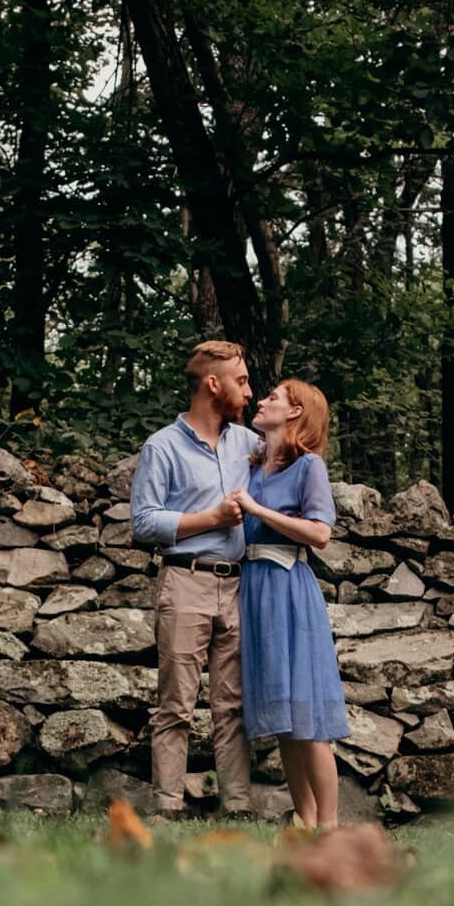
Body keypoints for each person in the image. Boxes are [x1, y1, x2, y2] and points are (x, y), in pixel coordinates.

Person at [129, 340, 262, 817]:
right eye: (241, 381)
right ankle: (166, 806)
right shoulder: (161, 446)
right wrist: (211, 519)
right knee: (177, 704)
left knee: (233, 705)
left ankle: (239, 806)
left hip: (240, 584)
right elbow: (142, 523)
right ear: (213, 384)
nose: (248, 392)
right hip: (185, 581)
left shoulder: (249, 445)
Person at [231, 379, 350, 828]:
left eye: (274, 398)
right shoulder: (254, 466)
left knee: (308, 716)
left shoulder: (309, 467)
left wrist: (258, 512)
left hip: (288, 588)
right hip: (253, 590)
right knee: (282, 718)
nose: (261, 401)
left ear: (296, 412)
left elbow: (320, 533)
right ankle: (304, 821)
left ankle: (330, 827)